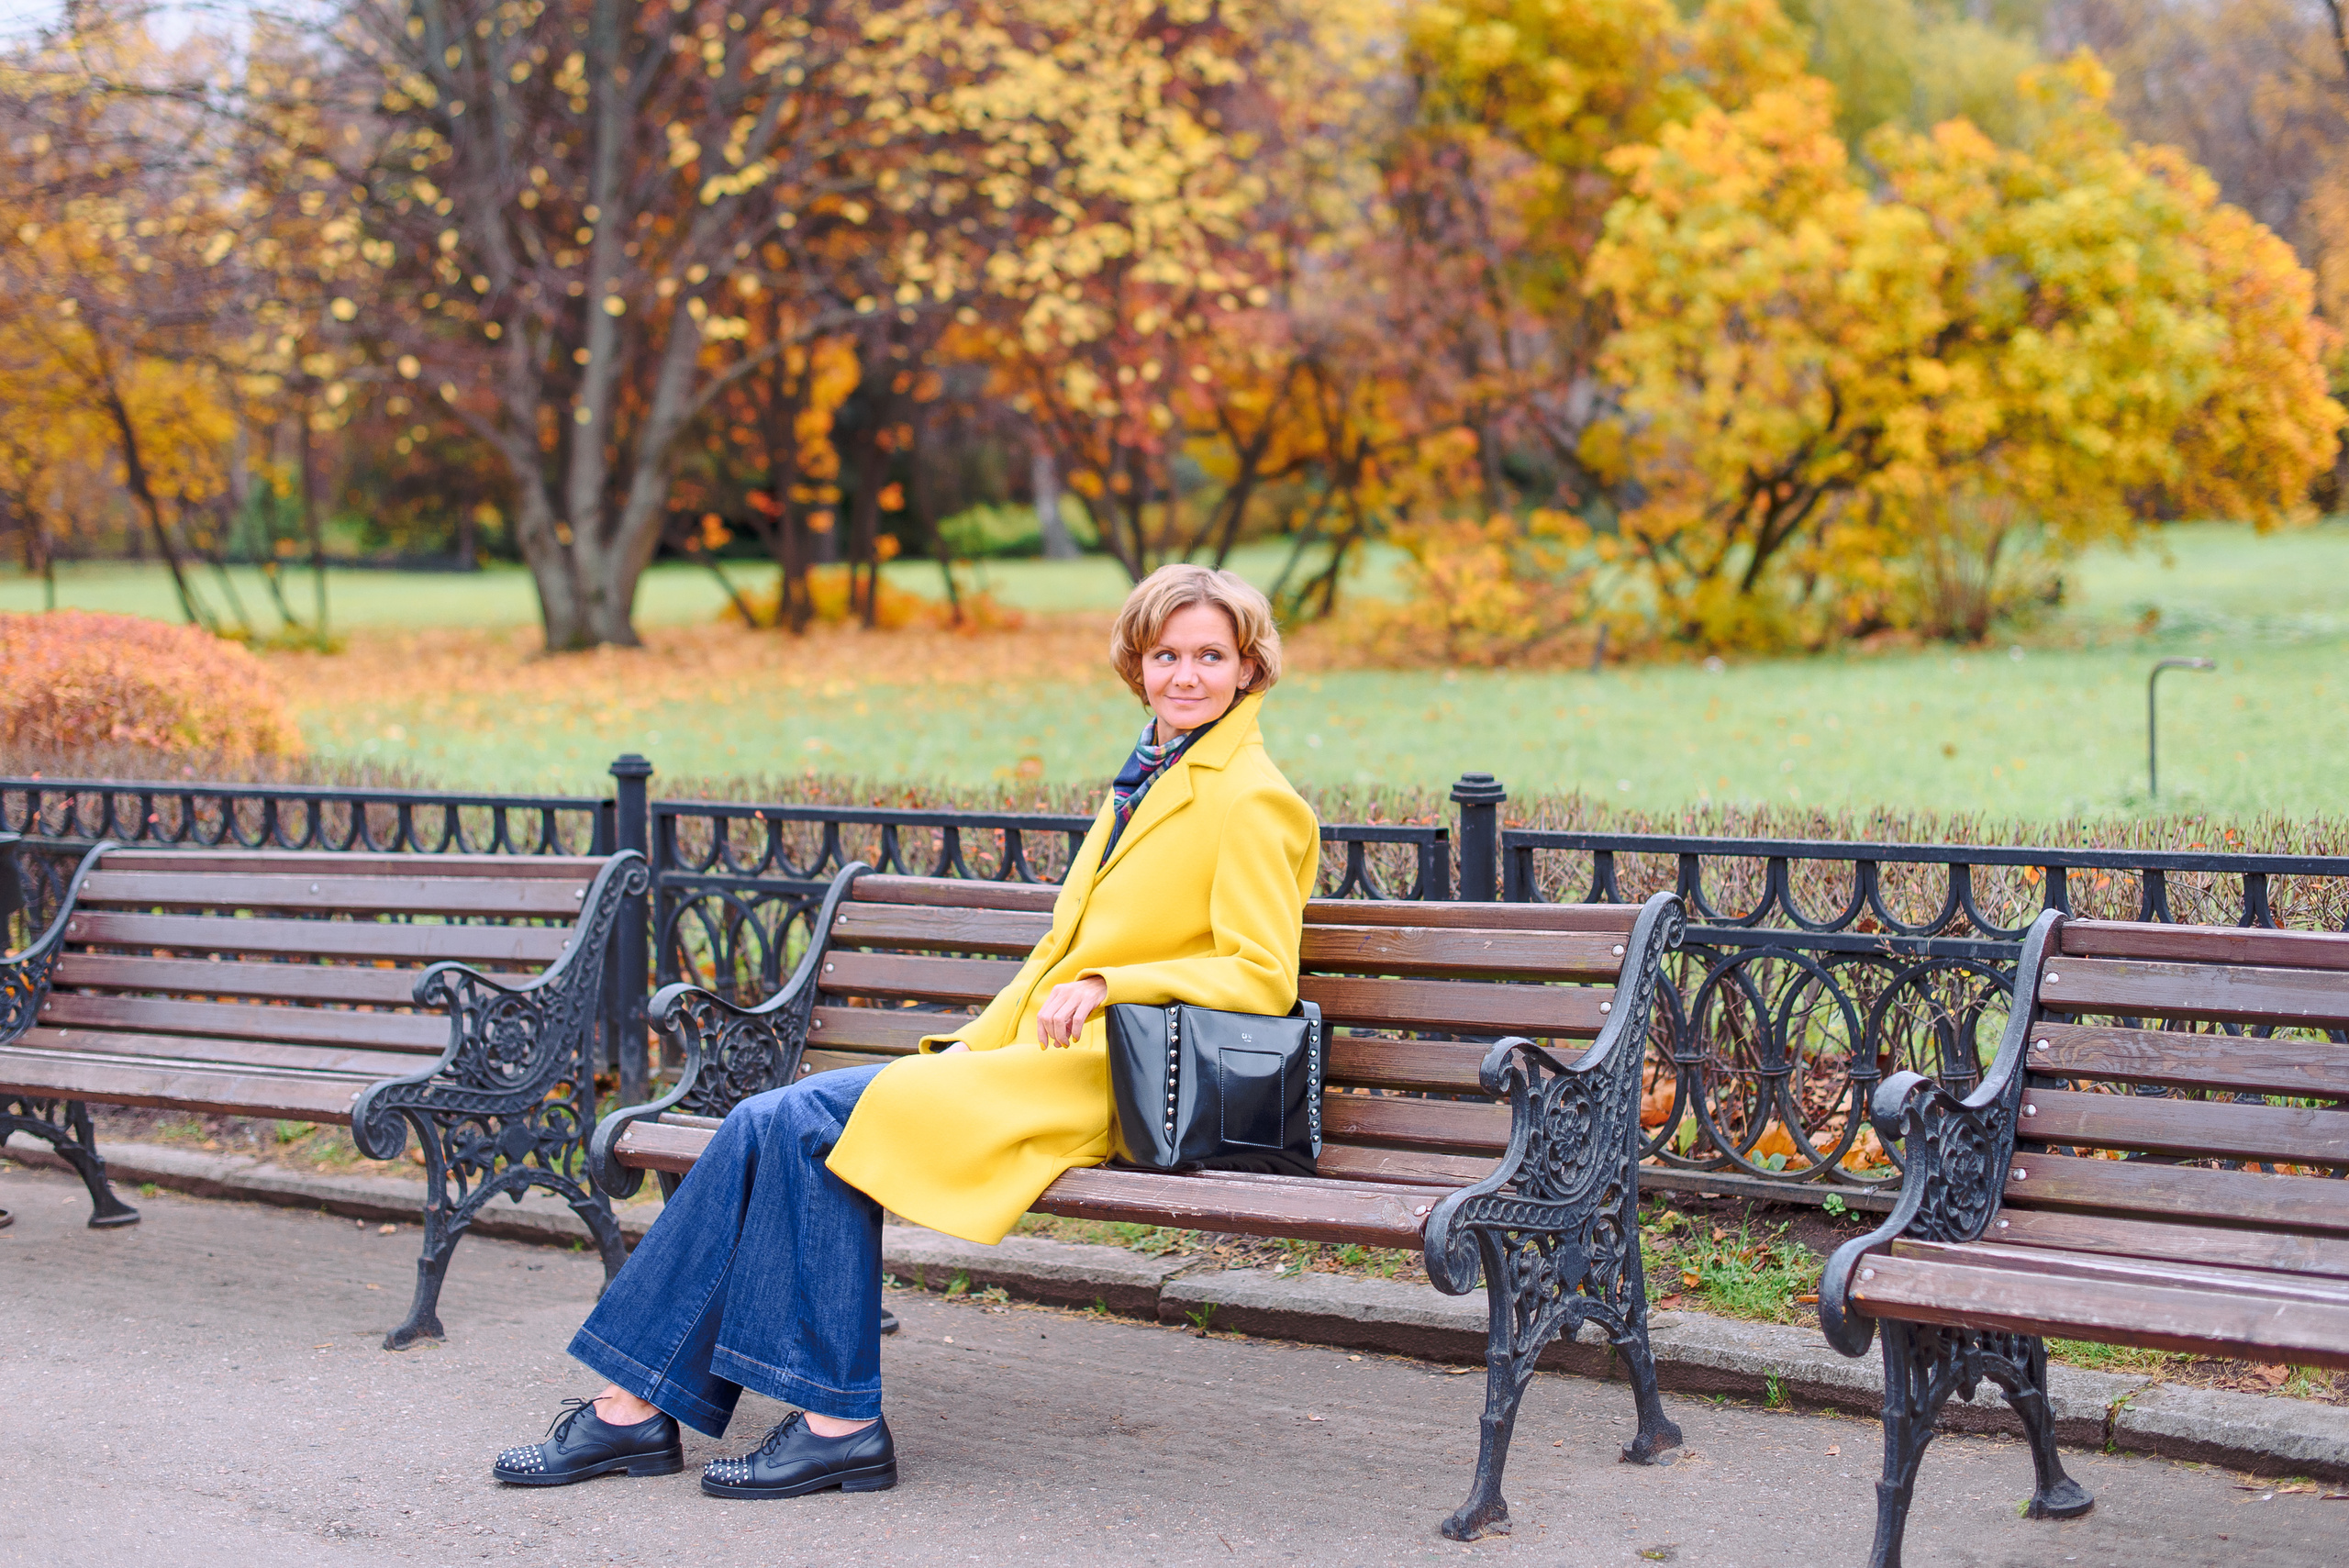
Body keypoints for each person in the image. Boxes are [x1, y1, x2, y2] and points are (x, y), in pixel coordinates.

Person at [492, 563, 1319, 1499]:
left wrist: (1110, 981)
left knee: (802, 1121)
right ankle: (643, 1412)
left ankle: (788, 1419)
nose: (1184, 673)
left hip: (1107, 1081)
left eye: (1210, 654)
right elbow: (1057, 947)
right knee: (772, 1117)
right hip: (1028, 1060)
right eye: (1166, 652)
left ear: (1249, 667)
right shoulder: (1151, 774)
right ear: (1137, 662)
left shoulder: (1250, 795)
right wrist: (979, 1041)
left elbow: (1260, 976)